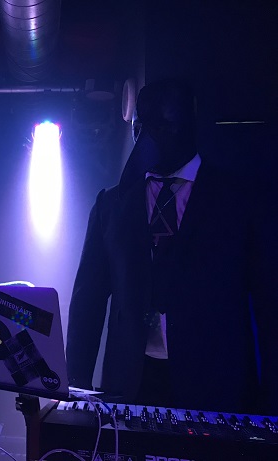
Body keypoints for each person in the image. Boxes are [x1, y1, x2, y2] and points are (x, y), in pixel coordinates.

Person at [66, 80, 278, 414]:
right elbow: (87, 301)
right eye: (140, 127)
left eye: (162, 126)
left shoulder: (238, 201)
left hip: (215, 383)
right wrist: (73, 388)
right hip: (130, 381)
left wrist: (271, 400)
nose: (147, 138)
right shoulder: (112, 204)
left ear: (188, 126)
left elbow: (268, 302)